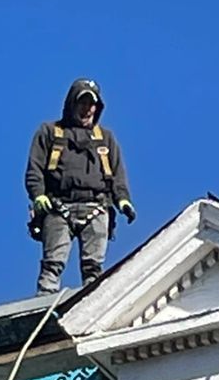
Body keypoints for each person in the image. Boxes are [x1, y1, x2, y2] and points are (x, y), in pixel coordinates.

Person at [25, 78, 136, 292]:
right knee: (52, 265)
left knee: (93, 270)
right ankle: (43, 309)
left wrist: (123, 201)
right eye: (82, 103)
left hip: (96, 208)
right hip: (58, 207)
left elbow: (117, 174)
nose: (87, 109)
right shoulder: (50, 132)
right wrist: (38, 195)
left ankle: (93, 309)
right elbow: (34, 168)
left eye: (91, 104)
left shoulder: (105, 138)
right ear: (72, 105)